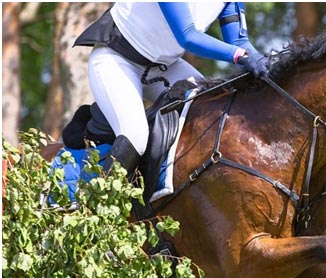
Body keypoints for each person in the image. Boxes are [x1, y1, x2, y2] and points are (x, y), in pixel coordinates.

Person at [73, 2, 268, 176]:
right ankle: (96, 206)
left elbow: (239, 42)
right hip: (116, 59)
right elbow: (188, 36)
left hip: (166, 66)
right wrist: (240, 56)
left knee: (212, 112)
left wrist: (267, 64)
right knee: (136, 136)